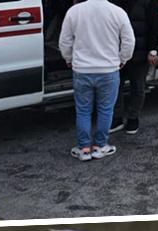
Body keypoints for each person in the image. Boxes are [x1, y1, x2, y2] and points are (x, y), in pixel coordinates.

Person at [59, 0, 135, 162]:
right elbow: (129, 41)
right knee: (106, 110)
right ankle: (100, 146)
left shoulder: (74, 11)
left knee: (83, 110)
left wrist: (69, 58)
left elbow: (65, 41)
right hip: (108, 70)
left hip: (82, 70)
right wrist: (123, 59)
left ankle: (84, 148)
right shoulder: (117, 11)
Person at [109, 0, 158, 135]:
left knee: (138, 87)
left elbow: (155, 27)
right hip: (117, 52)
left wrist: (152, 50)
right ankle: (117, 118)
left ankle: (133, 117)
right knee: (115, 86)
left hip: (140, 51)